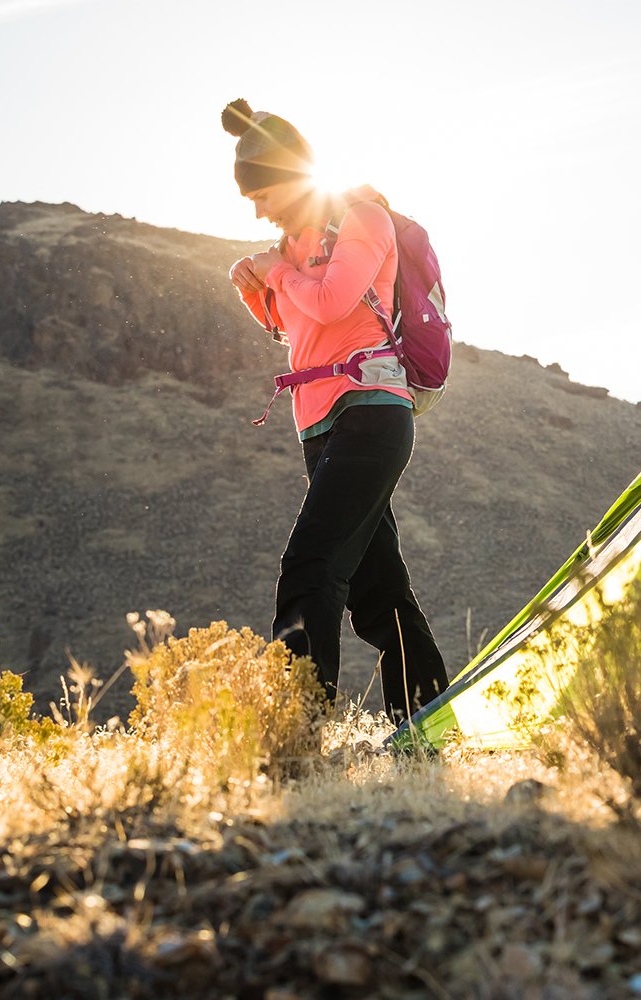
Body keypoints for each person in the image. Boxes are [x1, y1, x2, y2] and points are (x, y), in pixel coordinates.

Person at [221, 98, 449, 723]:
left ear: (289, 177)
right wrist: (257, 288)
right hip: (318, 427)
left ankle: (295, 729)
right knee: (378, 594)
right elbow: (293, 325)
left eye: (259, 194)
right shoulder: (290, 245)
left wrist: (279, 273)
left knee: (310, 565)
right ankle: (428, 723)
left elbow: (334, 300)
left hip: (372, 413)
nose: (257, 208)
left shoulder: (362, 218)